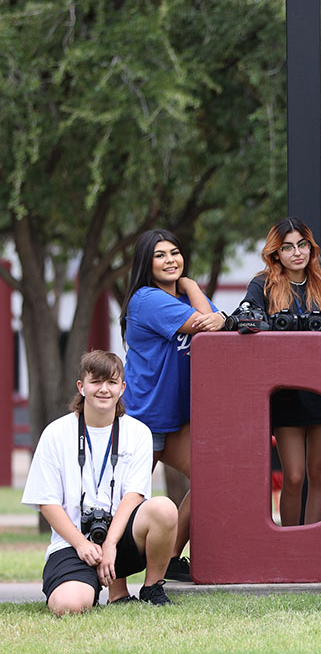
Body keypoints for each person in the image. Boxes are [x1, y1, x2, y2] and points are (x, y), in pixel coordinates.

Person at [22, 351, 179, 613]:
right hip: (73, 543)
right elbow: (47, 501)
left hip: (122, 541)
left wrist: (109, 544)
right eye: (95, 382)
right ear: (81, 387)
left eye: (112, 382)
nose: (104, 389)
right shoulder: (56, 433)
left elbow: (134, 496)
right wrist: (82, 545)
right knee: (68, 607)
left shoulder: (138, 433)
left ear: (122, 388)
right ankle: (88, 586)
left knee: (163, 508)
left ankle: (152, 588)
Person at [121, 229, 224, 581]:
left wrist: (216, 314)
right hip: (143, 419)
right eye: (161, 255)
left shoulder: (179, 299)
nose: (171, 261)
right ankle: (115, 587)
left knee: (212, 479)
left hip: (177, 418)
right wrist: (193, 285)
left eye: (176, 253)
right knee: (125, 500)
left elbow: (217, 324)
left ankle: (169, 563)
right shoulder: (147, 299)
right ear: (146, 265)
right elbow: (205, 323)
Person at [239, 217, 321, 526]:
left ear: (311, 248)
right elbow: (246, 321)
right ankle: (290, 542)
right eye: (288, 247)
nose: (297, 253)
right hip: (285, 394)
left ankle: (312, 543)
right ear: (276, 252)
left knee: (319, 472)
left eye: (302, 245)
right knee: (293, 476)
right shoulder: (263, 284)